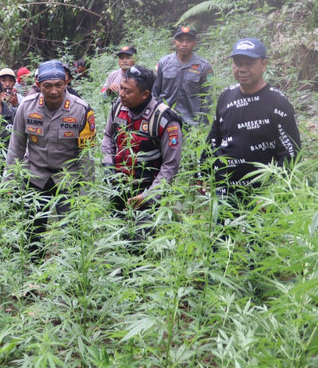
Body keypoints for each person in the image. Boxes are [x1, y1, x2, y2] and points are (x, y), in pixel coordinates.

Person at [5, 60, 95, 256]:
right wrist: (9, 183)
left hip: (68, 179)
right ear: (38, 85)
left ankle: (71, 276)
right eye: (48, 86)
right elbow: (16, 147)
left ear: (66, 83)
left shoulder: (81, 109)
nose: (54, 91)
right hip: (35, 176)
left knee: (72, 234)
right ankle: (31, 275)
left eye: (58, 85)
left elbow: (86, 155)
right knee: (32, 233)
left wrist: (87, 191)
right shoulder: (26, 107)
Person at [203, 38, 300, 206]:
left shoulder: (278, 103)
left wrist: (272, 194)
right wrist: (203, 173)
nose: (242, 69)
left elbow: (291, 153)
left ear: (264, 64)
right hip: (225, 191)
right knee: (224, 232)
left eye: (249, 63)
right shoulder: (226, 96)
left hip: (262, 195)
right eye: (238, 63)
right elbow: (214, 138)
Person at [101, 65, 182, 242]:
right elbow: (108, 136)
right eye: (121, 88)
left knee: (139, 246)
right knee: (117, 241)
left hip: (147, 193)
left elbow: (171, 165)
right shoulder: (118, 107)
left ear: (145, 94)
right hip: (119, 187)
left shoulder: (165, 119)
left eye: (127, 91)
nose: (121, 94)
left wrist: (147, 197)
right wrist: (108, 164)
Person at [153, 27, 213, 125]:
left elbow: (208, 98)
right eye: (180, 40)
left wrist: (203, 124)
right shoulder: (163, 63)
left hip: (191, 124)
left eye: (188, 41)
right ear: (175, 42)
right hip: (164, 120)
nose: (184, 44)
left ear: (194, 43)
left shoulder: (204, 67)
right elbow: (154, 92)